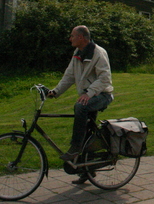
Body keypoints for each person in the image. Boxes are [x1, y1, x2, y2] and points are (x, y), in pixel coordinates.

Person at [48, 25, 114, 183]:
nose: (70, 38)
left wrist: (88, 93)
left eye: (72, 36)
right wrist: (55, 91)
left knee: (80, 106)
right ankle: (87, 170)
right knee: (87, 132)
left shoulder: (99, 53)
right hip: (89, 96)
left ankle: (75, 147)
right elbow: (69, 76)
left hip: (102, 95)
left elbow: (105, 78)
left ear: (82, 38)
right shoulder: (77, 53)